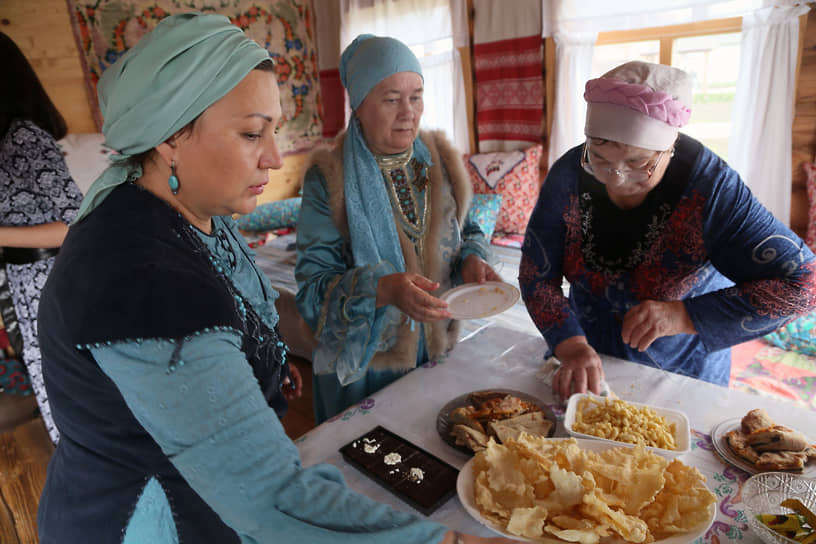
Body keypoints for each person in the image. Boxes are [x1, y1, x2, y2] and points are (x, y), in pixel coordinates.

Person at [37, 13, 512, 544]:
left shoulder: (191, 213)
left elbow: (235, 311)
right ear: (171, 137)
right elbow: (268, 497)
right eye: (250, 133)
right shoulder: (141, 278)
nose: (273, 156)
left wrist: (267, 363)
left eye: (274, 131)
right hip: (159, 520)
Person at [520, 60, 816, 401]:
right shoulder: (568, 174)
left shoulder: (712, 189)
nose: (615, 179)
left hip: (680, 368)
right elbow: (535, 272)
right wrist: (569, 344)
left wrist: (685, 315)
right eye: (599, 158)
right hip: (584, 353)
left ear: (668, 149)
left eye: (637, 164)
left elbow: (804, 284)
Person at [295, 34, 500, 423]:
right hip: (367, 369)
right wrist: (382, 288)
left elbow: (469, 228)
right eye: (391, 99)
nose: (408, 112)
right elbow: (311, 292)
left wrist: (474, 256)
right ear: (359, 106)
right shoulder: (329, 178)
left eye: (416, 96)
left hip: (437, 349)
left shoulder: (441, 159)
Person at [0, 31, 84, 442]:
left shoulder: (25, 137)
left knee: (66, 384)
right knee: (52, 382)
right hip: (23, 280)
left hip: (50, 277)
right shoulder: (6, 141)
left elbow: (78, 225)